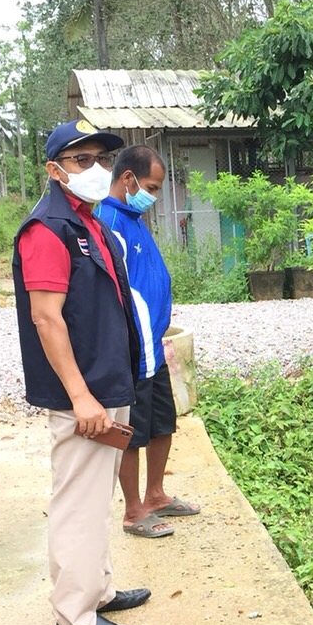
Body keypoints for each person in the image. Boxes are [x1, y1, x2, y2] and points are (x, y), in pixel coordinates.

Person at [12, 120, 152, 625]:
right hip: (83, 394)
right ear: (54, 170)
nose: (93, 169)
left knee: (96, 501)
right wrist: (81, 396)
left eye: (100, 159)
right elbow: (48, 319)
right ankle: (76, 619)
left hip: (106, 383)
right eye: (79, 160)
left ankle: (99, 591)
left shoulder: (86, 222)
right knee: (77, 503)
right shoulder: (46, 230)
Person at [95, 145, 202, 539]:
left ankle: (156, 494)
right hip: (130, 346)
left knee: (162, 422)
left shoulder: (134, 217)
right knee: (132, 431)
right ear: (128, 179)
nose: (154, 196)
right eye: (151, 187)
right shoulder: (107, 220)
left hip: (153, 345)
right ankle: (133, 510)